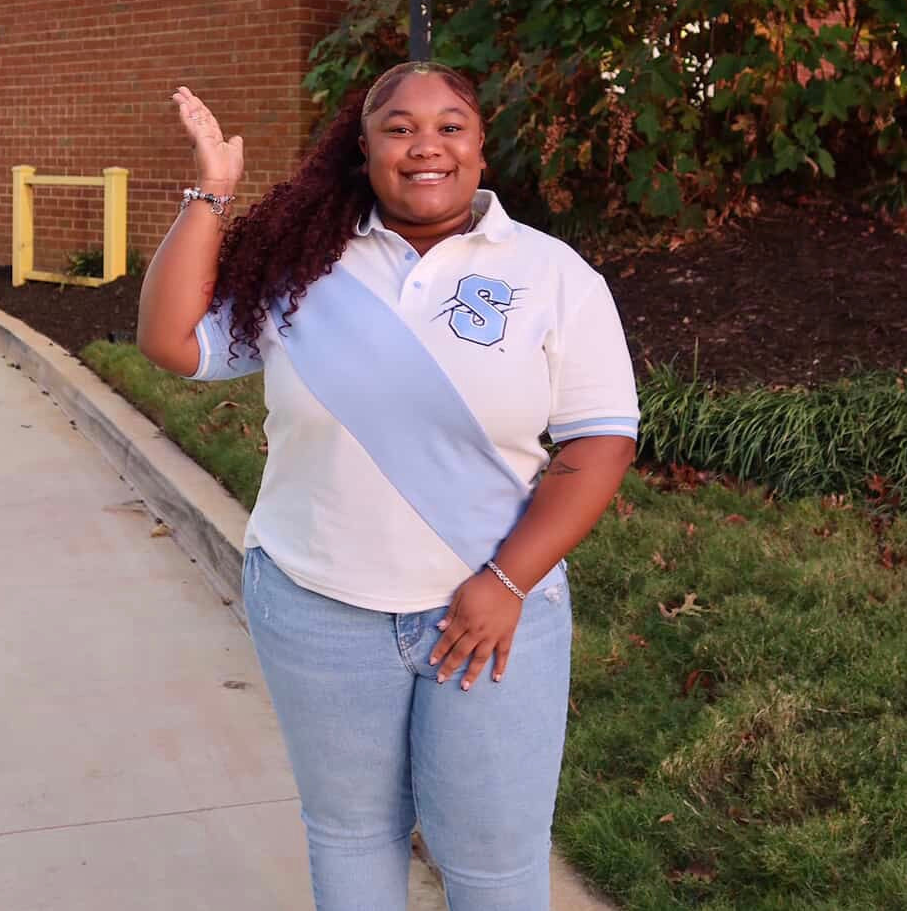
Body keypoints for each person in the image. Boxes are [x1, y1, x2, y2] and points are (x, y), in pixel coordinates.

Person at [137, 61, 639, 911]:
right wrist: (212, 193)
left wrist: (507, 581)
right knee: (351, 835)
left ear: (481, 147)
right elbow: (172, 342)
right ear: (362, 150)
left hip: (492, 616)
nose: (425, 146)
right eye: (398, 128)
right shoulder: (306, 263)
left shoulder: (552, 274)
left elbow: (600, 441)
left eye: (450, 125)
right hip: (318, 603)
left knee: (492, 861)